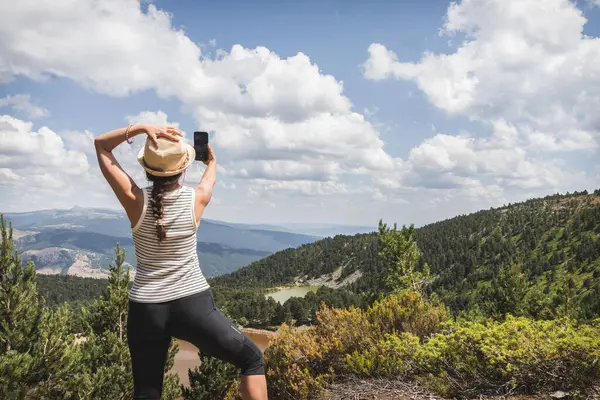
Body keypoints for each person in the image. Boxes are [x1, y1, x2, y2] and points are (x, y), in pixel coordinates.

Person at [94, 124, 268, 400]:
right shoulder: (196, 199)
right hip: (193, 304)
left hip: (146, 308)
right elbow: (209, 179)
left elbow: (101, 145)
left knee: (147, 391)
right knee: (251, 359)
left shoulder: (134, 200)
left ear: (147, 169)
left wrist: (141, 129)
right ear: (184, 169)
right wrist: (211, 160)